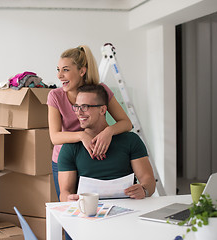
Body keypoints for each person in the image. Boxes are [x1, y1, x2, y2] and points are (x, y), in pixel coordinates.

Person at [47, 45, 132, 200]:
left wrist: (109, 131)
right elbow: (55, 137)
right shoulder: (55, 96)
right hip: (66, 159)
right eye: (58, 70)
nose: (59, 76)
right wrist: (81, 136)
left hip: (95, 155)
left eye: (65, 70)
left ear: (82, 71)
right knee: (69, 205)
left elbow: (126, 123)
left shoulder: (100, 91)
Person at [58, 84, 156, 202]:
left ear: (102, 110)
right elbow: (65, 192)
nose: (79, 112)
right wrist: (68, 200)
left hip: (129, 211)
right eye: (76, 106)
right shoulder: (70, 148)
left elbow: (149, 181)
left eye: (84, 107)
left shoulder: (131, 140)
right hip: (89, 214)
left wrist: (143, 190)